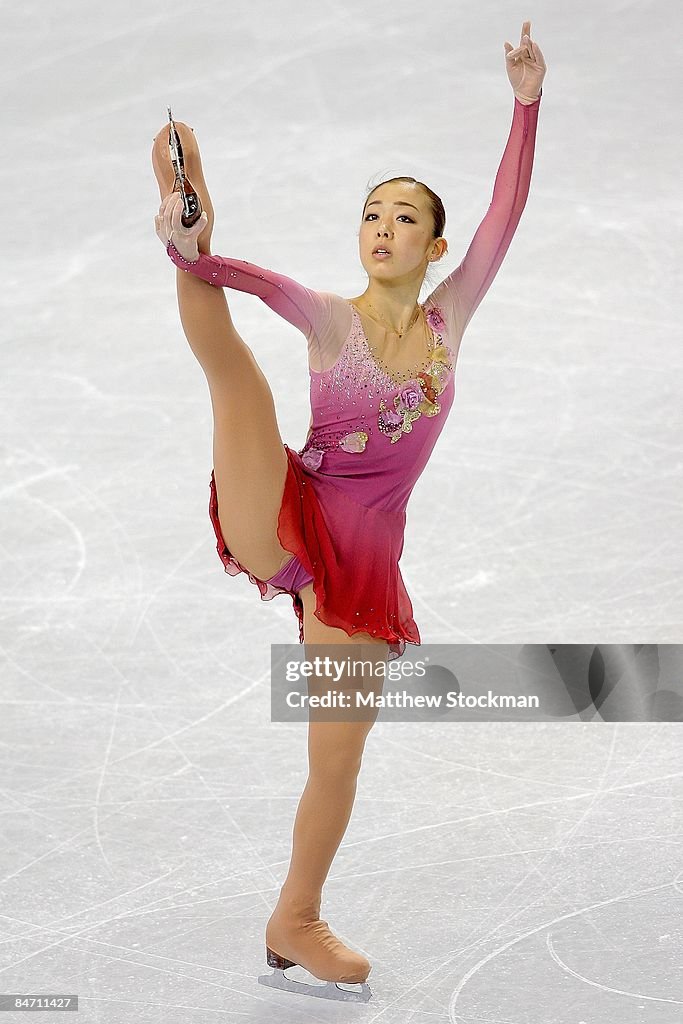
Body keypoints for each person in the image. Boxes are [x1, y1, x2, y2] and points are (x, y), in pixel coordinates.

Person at [151, 20, 547, 1002]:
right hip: (287, 510)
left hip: (362, 571)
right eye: (370, 213)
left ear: (434, 244)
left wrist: (525, 103)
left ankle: (294, 920)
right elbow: (241, 283)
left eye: (403, 217)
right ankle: (179, 198)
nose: (381, 226)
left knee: (335, 762)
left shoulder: (451, 315)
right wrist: (195, 251)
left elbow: (506, 210)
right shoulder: (329, 315)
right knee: (235, 374)